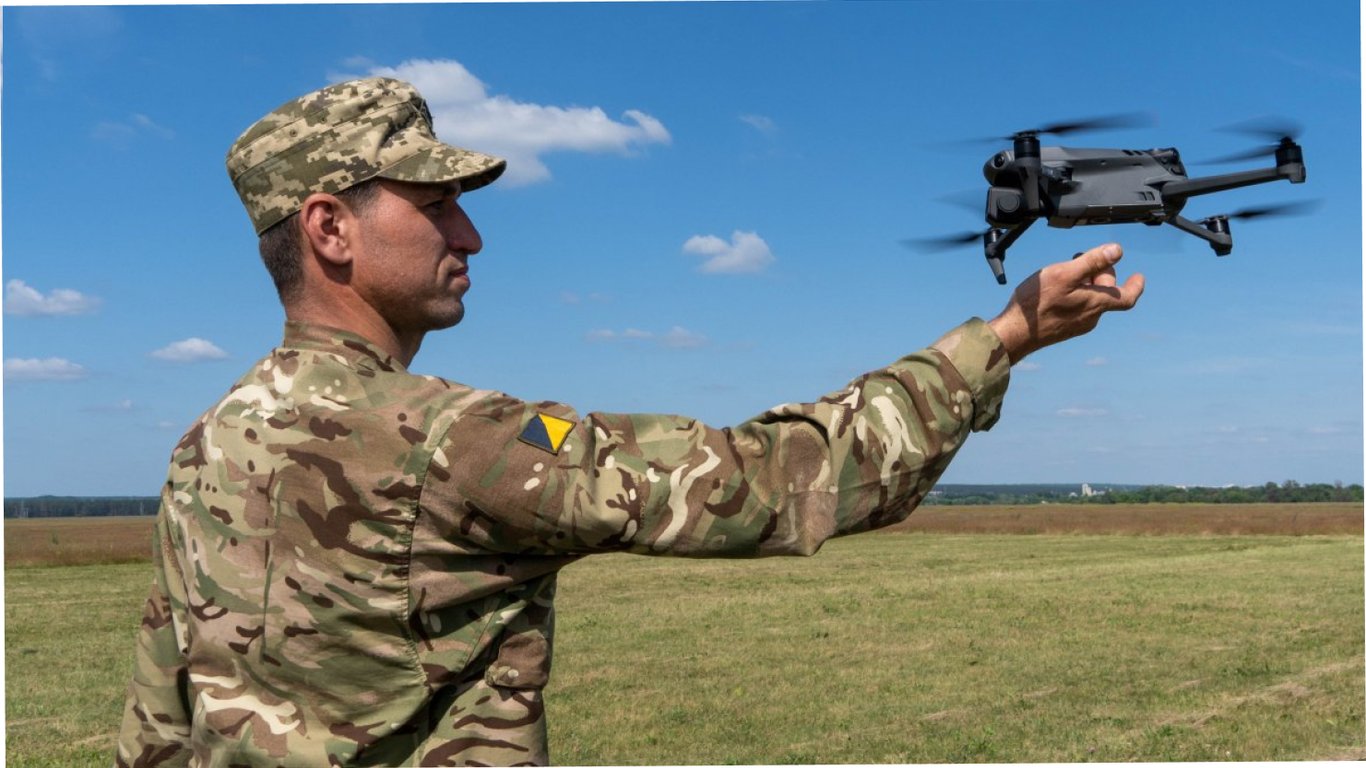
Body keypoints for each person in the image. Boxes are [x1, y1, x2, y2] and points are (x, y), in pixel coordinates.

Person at [116, 77, 1144, 768]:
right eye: (432, 204)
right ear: (329, 228)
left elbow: (158, 719)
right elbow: (774, 481)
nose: (468, 230)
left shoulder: (204, 442)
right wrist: (1003, 338)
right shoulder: (454, 442)